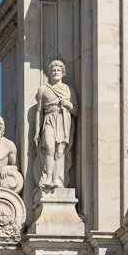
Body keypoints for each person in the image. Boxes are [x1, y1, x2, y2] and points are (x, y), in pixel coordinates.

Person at [33, 59, 77, 190]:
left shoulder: (69, 90)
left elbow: (76, 111)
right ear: (49, 73)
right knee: (50, 149)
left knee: (60, 151)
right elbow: (39, 112)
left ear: (63, 73)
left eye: (58, 70)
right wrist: (36, 132)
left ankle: (57, 179)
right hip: (49, 120)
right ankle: (48, 177)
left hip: (63, 119)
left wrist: (68, 104)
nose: (56, 72)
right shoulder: (43, 90)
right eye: (53, 70)